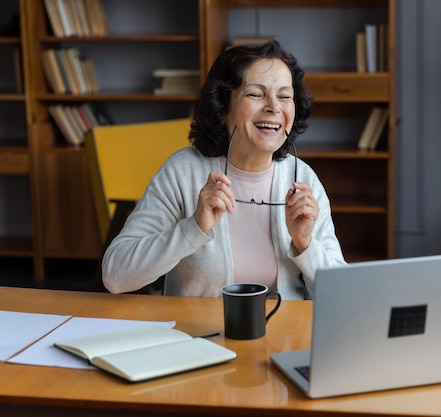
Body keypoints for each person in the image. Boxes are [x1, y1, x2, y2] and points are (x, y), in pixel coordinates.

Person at [102, 40, 346, 299]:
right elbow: (115, 276)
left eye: (285, 96)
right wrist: (193, 228)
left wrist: (305, 244)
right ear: (222, 108)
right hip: (197, 336)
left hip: (285, 336)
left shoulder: (302, 178)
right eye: (255, 94)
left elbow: (342, 296)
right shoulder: (183, 172)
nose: (274, 107)